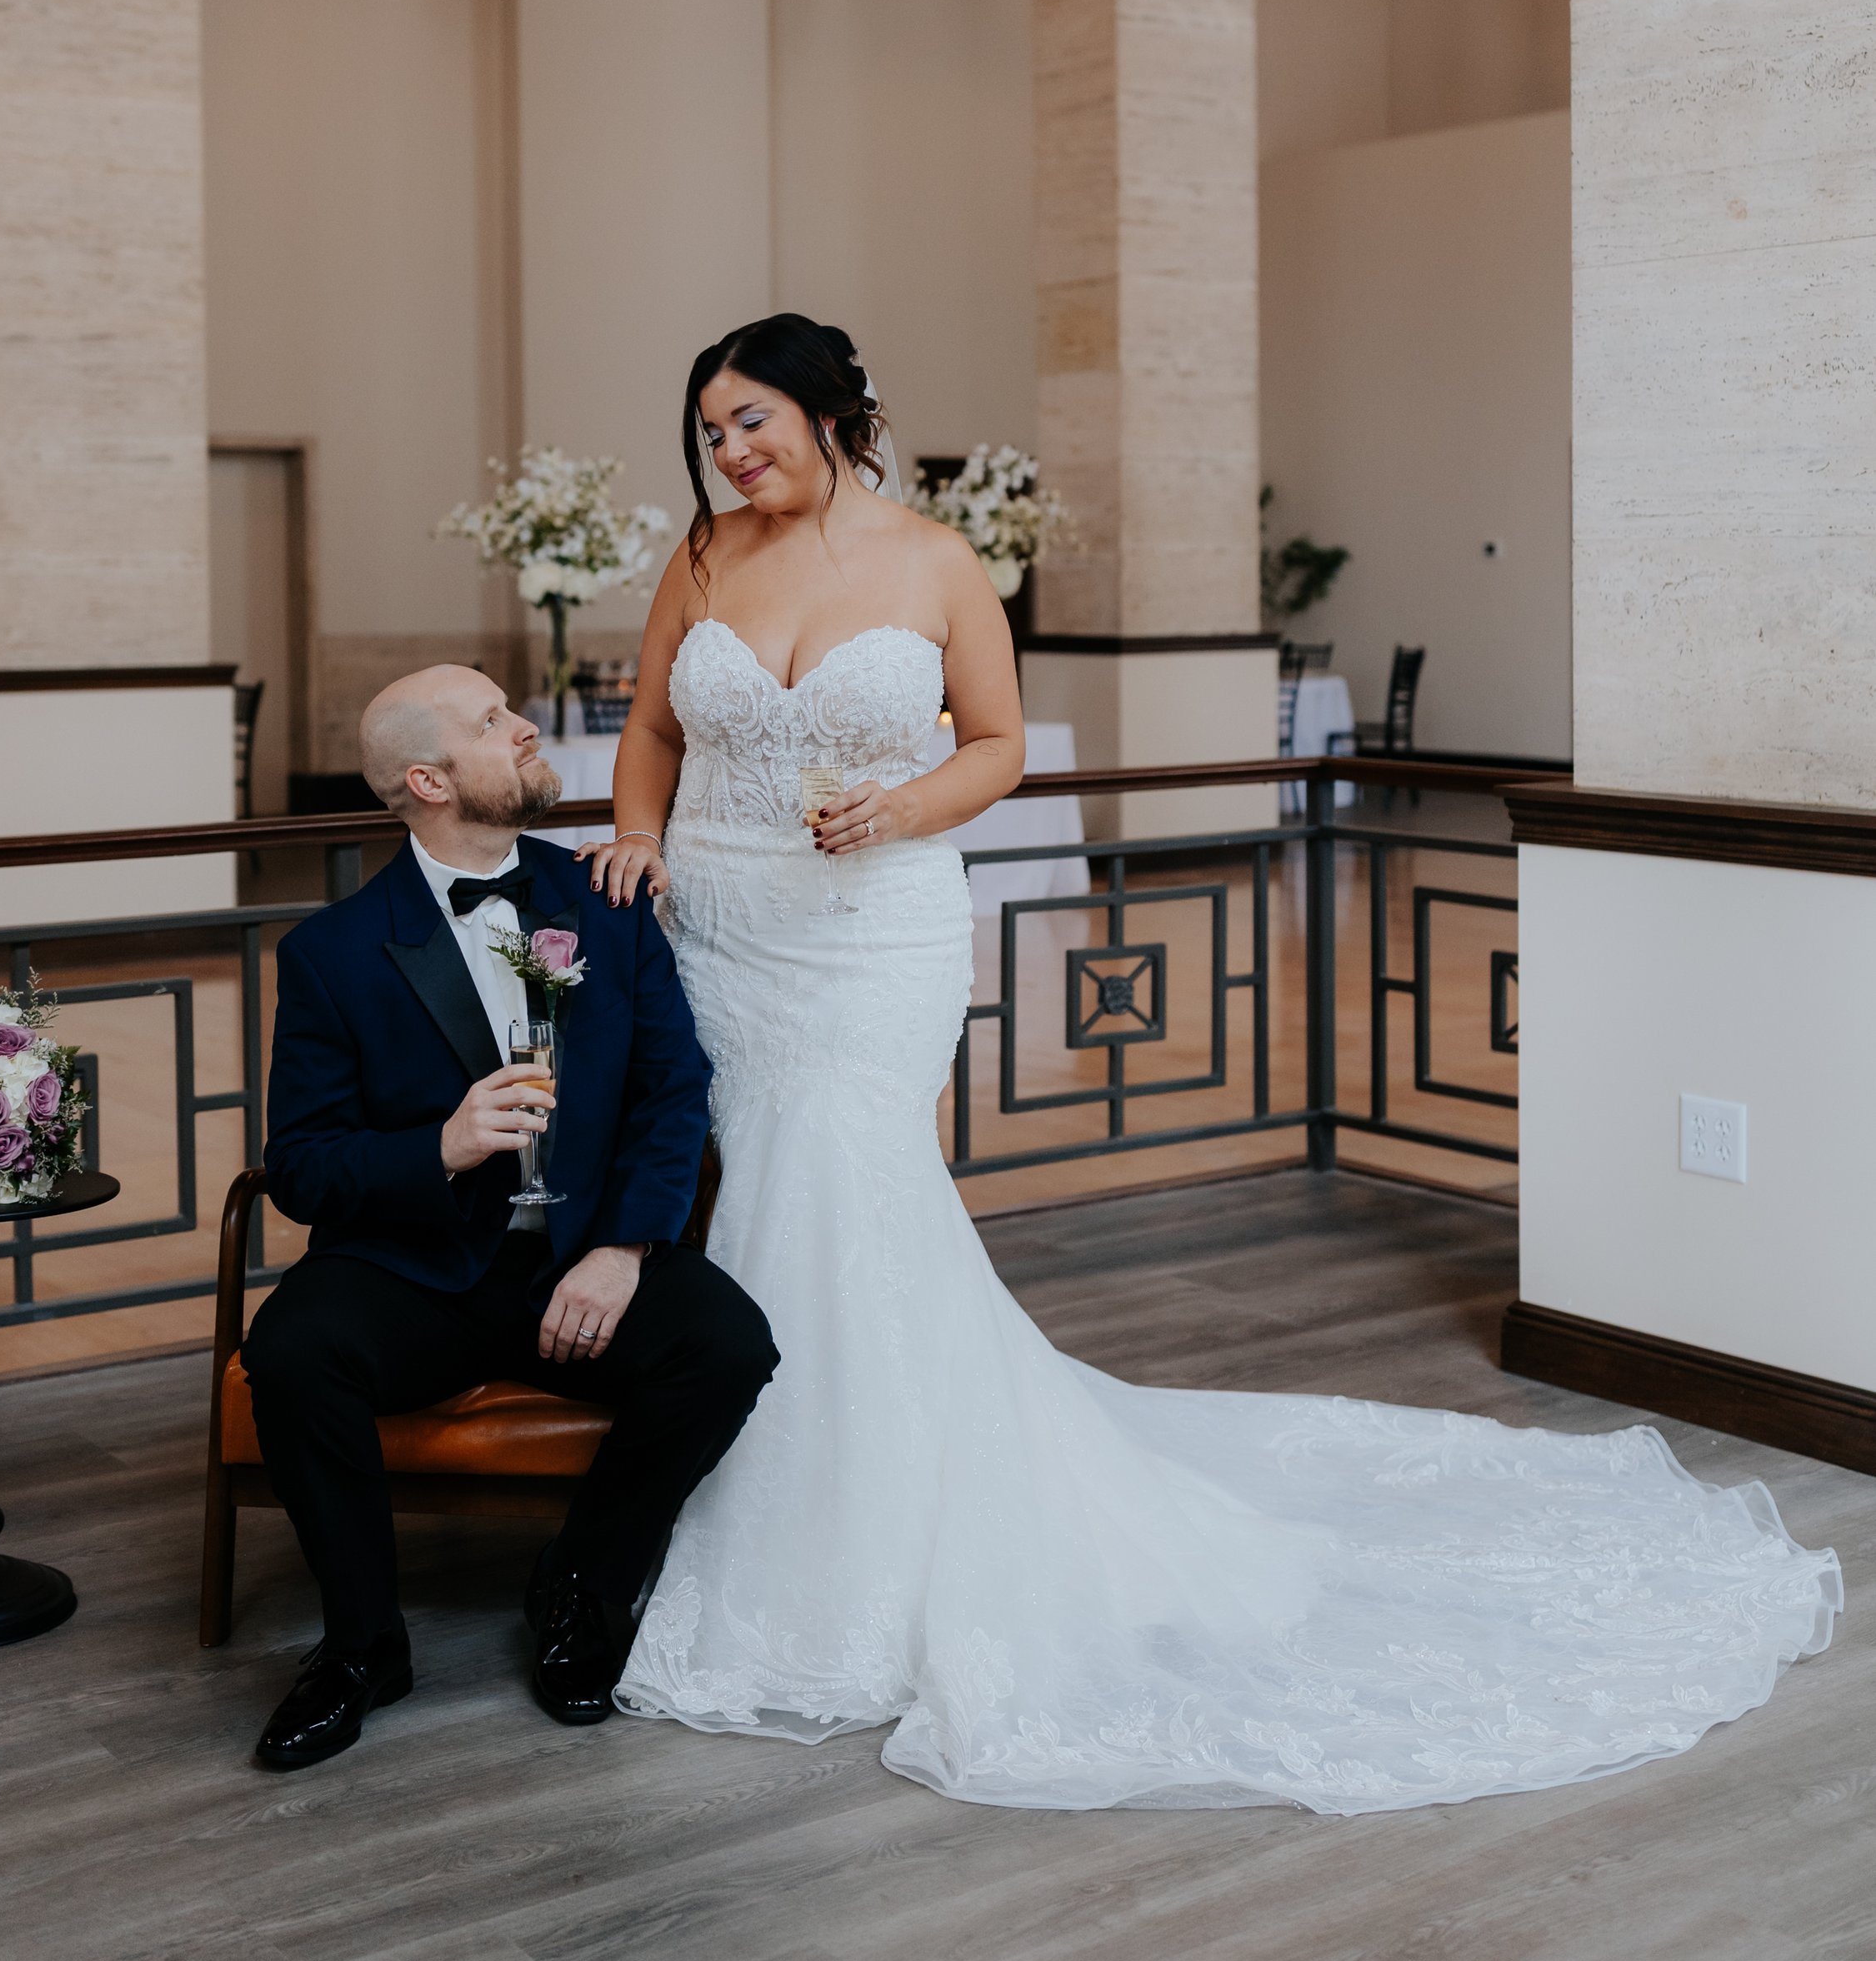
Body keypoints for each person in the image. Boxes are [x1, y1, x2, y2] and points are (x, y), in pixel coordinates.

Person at [579, 313, 1841, 1813]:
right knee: (748, 1186)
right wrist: (644, 833)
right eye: (710, 430)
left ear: (833, 413)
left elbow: (995, 745)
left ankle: (843, 1529)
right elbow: (652, 725)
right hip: (721, 923)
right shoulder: (704, 562)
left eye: (750, 421)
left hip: (868, 932)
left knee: (842, 1182)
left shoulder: (932, 562)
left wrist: (907, 811)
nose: (727, 452)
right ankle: (711, 1466)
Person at [243, 664, 778, 1773]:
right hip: (417, 1267)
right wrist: (430, 1148)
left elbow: (673, 1089)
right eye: (494, 722)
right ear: (428, 779)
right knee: (293, 1350)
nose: (525, 725)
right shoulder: (331, 953)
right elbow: (298, 1164)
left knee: (728, 1344)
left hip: (582, 1255)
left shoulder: (605, 898)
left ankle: (580, 1585)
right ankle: (360, 1647)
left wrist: (629, 1248)